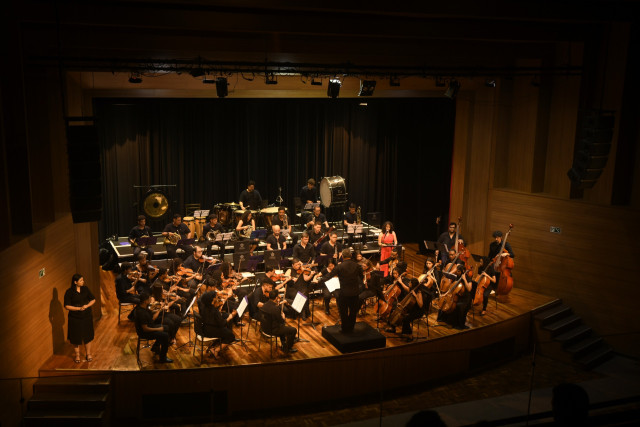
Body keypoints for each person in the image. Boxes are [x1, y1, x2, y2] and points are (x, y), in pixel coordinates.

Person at [321, 249, 363, 333]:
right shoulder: (357, 266)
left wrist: (319, 280)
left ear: (342, 256)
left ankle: (345, 328)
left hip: (344, 293)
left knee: (343, 312)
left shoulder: (339, 266)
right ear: (351, 256)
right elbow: (361, 277)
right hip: (354, 292)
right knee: (353, 311)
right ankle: (351, 328)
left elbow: (329, 276)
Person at [64, 274, 96, 363]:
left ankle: (88, 354)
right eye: (81, 280)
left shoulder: (85, 289)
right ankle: (77, 355)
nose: (83, 282)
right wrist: (78, 308)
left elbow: (93, 299)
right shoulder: (69, 292)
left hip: (86, 316)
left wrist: (87, 306)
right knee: (75, 337)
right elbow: (66, 306)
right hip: (75, 318)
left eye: (83, 280)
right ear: (75, 282)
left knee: (88, 336)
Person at [133, 293, 173, 363]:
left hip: (150, 327)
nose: (151, 300)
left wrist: (160, 309)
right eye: (149, 299)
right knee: (165, 335)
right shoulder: (141, 312)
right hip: (144, 333)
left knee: (167, 327)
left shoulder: (144, 307)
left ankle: (156, 347)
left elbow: (152, 318)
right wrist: (158, 329)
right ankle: (163, 357)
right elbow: (145, 329)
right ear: (145, 301)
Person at [198, 291, 237, 356]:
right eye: (215, 297)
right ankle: (216, 350)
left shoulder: (204, 306)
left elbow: (212, 318)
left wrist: (219, 312)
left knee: (226, 330)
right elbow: (222, 323)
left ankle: (214, 345)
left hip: (204, 328)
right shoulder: (214, 310)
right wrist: (230, 317)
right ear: (212, 299)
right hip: (210, 331)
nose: (217, 298)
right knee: (231, 336)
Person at [260, 290, 298, 354]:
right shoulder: (275, 309)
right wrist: (283, 317)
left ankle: (284, 344)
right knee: (293, 330)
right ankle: (287, 349)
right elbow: (281, 321)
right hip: (272, 330)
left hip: (264, 328)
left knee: (282, 327)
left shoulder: (264, 305)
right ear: (276, 298)